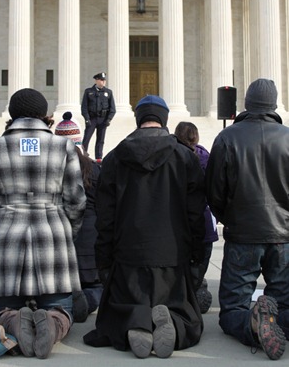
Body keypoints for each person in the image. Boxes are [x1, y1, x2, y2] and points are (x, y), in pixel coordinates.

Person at [84, 95, 206, 359]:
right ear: (163, 119)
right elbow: (196, 212)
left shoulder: (115, 157)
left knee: (123, 305)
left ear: (139, 119)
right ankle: (171, 322)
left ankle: (135, 321)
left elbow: (105, 216)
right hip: (172, 255)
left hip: (128, 255)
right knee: (180, 308)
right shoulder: (185, 157)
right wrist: (196, 253)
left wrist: (103, 258)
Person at [0, 88, 86, 359]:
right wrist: (67, 231)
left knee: (2, 309)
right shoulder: (65, 146)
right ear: (44, 114)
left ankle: (14, 322)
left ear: (12, 114)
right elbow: (76, 200)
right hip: (52, 225)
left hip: (7, 227)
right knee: (61, 307)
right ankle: (51, 324)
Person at [205, 78, 289, 361]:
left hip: (243, 235)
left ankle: (254, 324)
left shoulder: (228, 138)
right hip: (283, 236)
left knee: (232, 308)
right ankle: (275, 322)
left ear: (247, 103)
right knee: (285, 302)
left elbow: (214, 191)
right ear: (274, 104)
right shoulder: (288, 137)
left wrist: (229, 219)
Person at [55, 112, 103, 321]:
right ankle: (88, 300)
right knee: (97, 286)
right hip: (90, 242)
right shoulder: (93, 168)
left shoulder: (53, 168)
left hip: (62, 240)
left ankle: (70, 303)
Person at [174, 122, 218, 314]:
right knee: (198, 270)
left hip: (177, 224)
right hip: (204, 223)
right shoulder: (204, 156)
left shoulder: (172, 155)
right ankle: (193, 292)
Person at [81, 72, 116, 161]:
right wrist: (87, 119)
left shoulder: (108, 92)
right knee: (86, 138)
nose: (103, 82)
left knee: (100, 140)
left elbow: (112, 108)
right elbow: (84, 107)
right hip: (92, 119)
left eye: (104, 80)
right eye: (101, 80)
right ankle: (83, 156)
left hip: (103, 119)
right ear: (96, 80)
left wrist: (109, 119)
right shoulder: (89, 91)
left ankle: (99, 158)